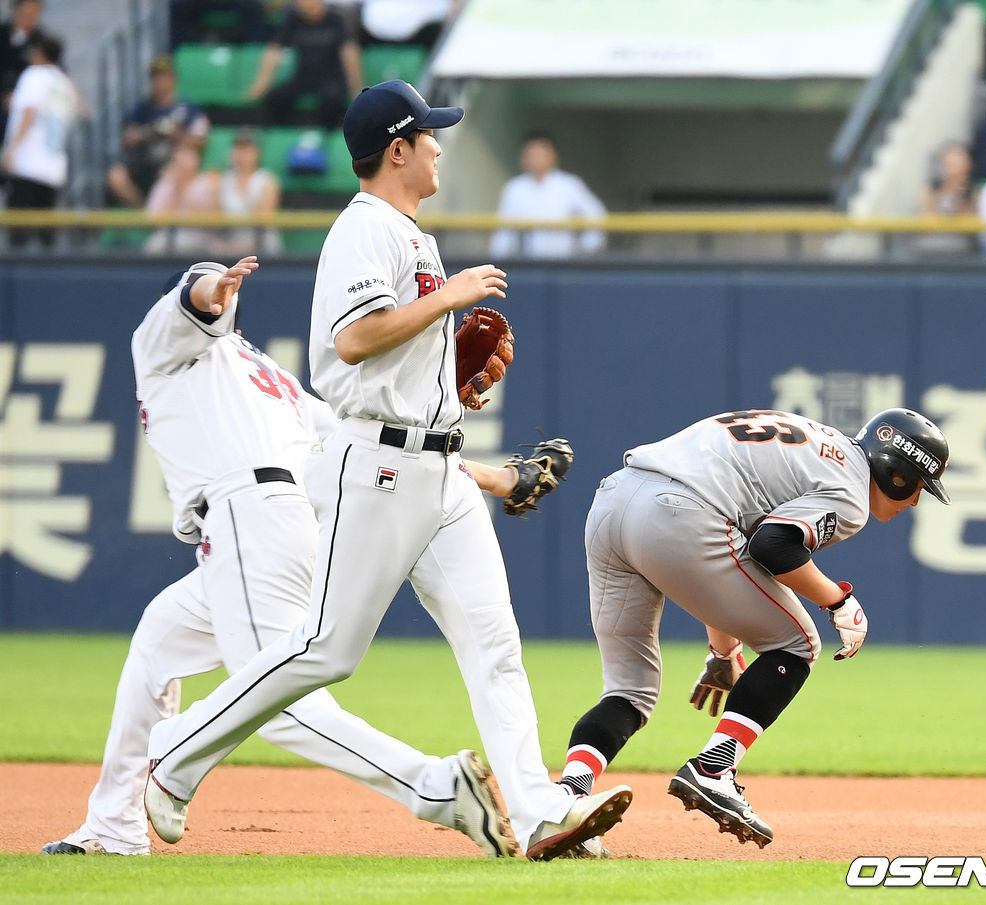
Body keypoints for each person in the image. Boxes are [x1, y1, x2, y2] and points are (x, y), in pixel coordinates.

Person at [144, 80, 632, 863]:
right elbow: (353, 341)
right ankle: (175, 753)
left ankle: (541, 813)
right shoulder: (364, 229)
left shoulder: (407, 232)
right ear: (396, 149)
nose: (440, 144)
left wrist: (454, 381)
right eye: (429, 134)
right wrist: (451, 303)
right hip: (374, 464)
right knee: (326, 647)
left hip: (436, 465)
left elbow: (393, 354)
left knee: (494, 643)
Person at [42, 256, 522, 857]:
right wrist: (495, 478)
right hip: (277, 525)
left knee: (278, 708)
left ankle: (437, 788)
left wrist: (205, 288)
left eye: (224, 291)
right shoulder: (223, 360)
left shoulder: (196, 354)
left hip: (251, 519)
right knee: (158, 642)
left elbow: (196, 301)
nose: (218, 297)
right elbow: (193, 303)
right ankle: (113, 827)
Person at [555, 407, 949, 850]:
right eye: (918, 485)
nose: (916, 500)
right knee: (798, 644)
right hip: (680, 513)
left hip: (614, 501)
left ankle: (567, 802)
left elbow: (733, 527)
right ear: (896, 473)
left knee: (629, 690)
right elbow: (773, 544)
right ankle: (715, 769)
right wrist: (837, 599)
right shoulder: (853, 491)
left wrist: (723, 653)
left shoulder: (816, 442)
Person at [1, 32, 75, 248]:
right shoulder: (64, 82)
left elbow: (30, 112)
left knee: (19, 238)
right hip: (53, 167)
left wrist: (11, 150)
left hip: (28, 164)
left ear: (41, 54)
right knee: (46, 239)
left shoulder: (34, 74)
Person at [106, 55, 210, 209]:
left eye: (165, 77)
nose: (161, 81)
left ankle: (159, 213)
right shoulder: (142, 109)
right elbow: (127, 138)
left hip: (171, 162)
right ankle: (145, 213)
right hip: (144, 160)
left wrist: (175, 133)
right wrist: (148, 132)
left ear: (173, 79)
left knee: (183, 161)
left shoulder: (188, 108)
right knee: (115, 176)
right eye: (157, 77)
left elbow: (200, 140)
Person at [489, 131, 607, 260]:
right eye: (531, 154)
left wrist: (584, 251)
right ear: (523, 158)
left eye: (541, 154)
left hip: (566, 262)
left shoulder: (570, 185)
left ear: (553, 156)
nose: (536, 159)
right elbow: (504, 233)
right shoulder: (515, 188)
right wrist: (498, 262)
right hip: (529, 263)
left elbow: (597, 215)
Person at [246, 0, 362, 130]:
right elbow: (274, 50)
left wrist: (355, 88)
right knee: (275, 97)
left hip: (331, 79)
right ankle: (284, 134)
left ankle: (327, 135)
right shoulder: (293, 19)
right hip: (303, 77)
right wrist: (261, 84)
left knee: (332, 100)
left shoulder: (336, 19)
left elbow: (349, 53)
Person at [211, 126, 283, 256]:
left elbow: (263, 218)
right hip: (231, 245)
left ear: (256, 152)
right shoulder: (224, 180)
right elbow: (216, 220)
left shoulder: (266, 179)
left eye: (247, 149)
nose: (242, 153)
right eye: (238, 148)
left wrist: (243, 192)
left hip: (261, 247)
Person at [142, 141, 219, 255]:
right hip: (166, 236)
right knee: (153, 246)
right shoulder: (166, 183)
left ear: (197, 159)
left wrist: (182, 191)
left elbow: (213, 221)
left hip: (200, 238)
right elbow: (152, 220)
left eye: (188, 156)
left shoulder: (206, 182)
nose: (183, 162)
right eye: (180, 156)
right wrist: (175, 189)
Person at [916, 140, 977, 259]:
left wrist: (961, 195)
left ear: (968, 163)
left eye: (958, 157)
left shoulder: (973, 193)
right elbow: (928, 223)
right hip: (929, 250)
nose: (952, 162)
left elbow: (967, 224)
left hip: (961, 252)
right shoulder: (931, 193)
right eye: (949, 159)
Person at [0, 0, 45, 139]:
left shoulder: (41, 41)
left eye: (34, 13)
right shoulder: (2, 34)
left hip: (24, 110)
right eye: (26, 13)